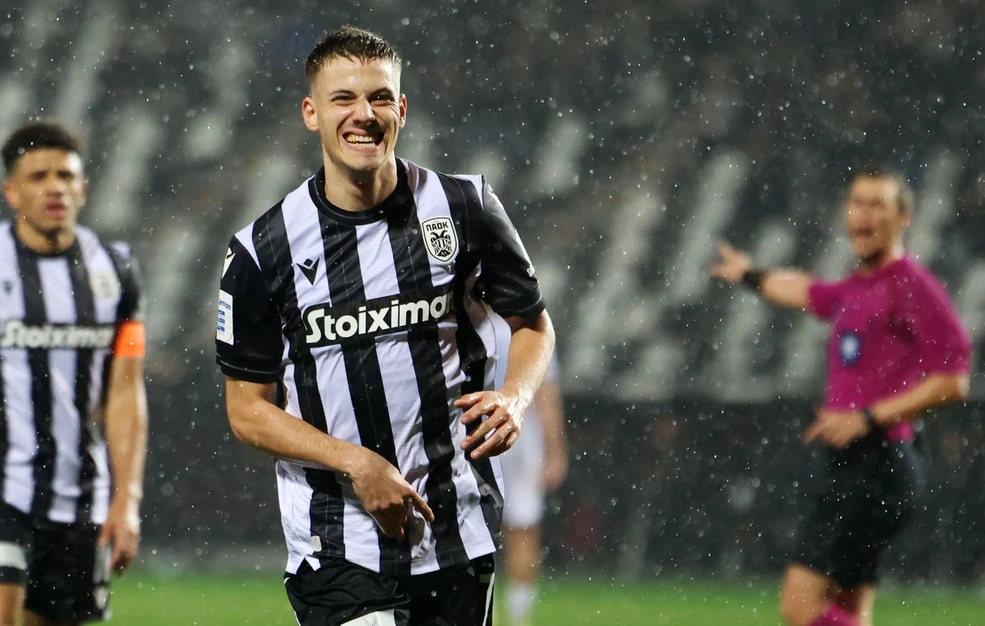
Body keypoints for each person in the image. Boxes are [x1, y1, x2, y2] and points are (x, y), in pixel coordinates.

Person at [215, 25, 554, 626]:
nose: (363, 115)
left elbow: (532, 323)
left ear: (401, 108)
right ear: (311, 113)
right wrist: (356, 462)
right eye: (343, 98)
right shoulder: (262, 251)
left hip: (457, 525)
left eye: (378, 97)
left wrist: (515, 397)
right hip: (336, 538)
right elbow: (246, 411)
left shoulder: (464, 206)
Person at [711, 168, 971, 626]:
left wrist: (867, 417)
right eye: (856, 203)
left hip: (878, 464)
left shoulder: (911, 285)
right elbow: (804, 290)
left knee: (799, 607)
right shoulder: (858, 287)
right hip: (864, 464)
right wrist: (750, 275)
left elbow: (953, 380)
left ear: (903, 218)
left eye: (876, 205)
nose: (863, 214)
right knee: (851, 611)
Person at [0, 121, 148, 625]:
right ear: (12, 192)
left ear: (83, 188)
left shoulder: (116, 271)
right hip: (7, 491)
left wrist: (127, 499)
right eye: (38, 176)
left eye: (65, 176)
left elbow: (125, 392)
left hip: (80, 501)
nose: (55, 188)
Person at [499, 357, 567, 626]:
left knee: (469, 531)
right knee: (522, 533)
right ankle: (518, 618)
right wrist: (555, 449)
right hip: (521, 432)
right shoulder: (531, 331)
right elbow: (546, 392)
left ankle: (475, 610)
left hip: (474, 426)